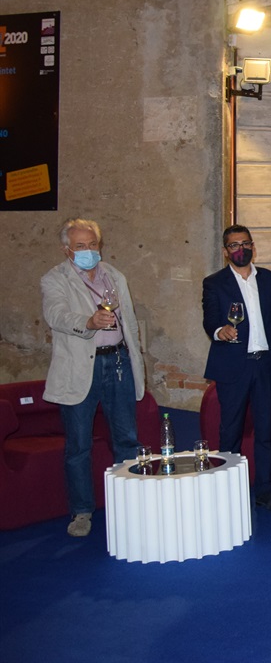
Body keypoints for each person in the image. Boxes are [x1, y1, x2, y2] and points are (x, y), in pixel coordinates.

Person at [41, 219, 147, 538]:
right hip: (79, 368)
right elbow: (56, 315)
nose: (88, 251)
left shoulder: (114, 275)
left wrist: (135, 355)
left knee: (126, 438)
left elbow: (129, 321)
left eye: (92, 244)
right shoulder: (54, 279)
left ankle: (132, 503)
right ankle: (82, 511)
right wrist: (88, 322)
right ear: (66, 250)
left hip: (118, 362)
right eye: (80, 246)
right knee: (78, 445)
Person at [202, 225, 271, 512]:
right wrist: (220, 331)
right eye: (234, 245)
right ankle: (228, 491)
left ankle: (264, 491)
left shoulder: (268, 279)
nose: (240, 249)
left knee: (265, 432)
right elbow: (210, 320)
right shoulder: (214, 283)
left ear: (253, 247)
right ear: (225, 251)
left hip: (265, 366)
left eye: (245, 244)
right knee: (230, 431)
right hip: (233, 367)